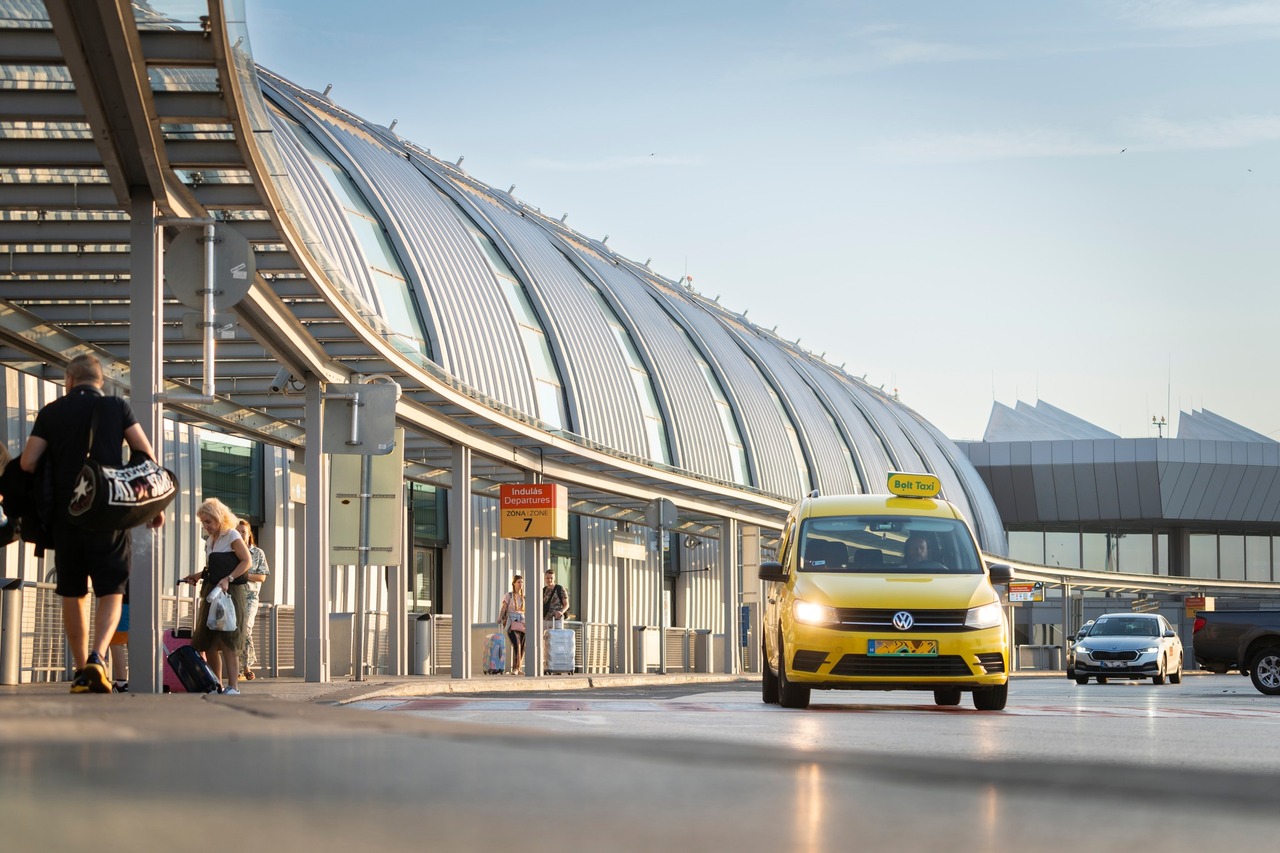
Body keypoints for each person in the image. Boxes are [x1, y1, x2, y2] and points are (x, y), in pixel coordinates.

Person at [18, 353, 164, 694]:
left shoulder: (51, 412)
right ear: (99, 381)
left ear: (69, 380)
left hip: (66, 516)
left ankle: (82, 669)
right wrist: (148, 506)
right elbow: (146, 454)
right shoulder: (117, 407)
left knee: (73, 591)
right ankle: (100, 657)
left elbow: (27, 461)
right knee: (111, 589)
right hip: (108, 513)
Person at [180, 499, 251, 694]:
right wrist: (199, 575)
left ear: (219, 518)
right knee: (209, 640)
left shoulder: (232, 535)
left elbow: (247, 561)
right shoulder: (210, 541)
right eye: (203, 522)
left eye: (208, 521)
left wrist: (228, 578)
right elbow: (213, 568)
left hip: (230, 592)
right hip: (212, 590)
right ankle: (216, 684)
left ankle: (234, 687)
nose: (206, 526)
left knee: (229, 638)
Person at [235, 519, 270, 681]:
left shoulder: (258, 553)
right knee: (235, 631)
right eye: (238, 531)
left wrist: (243, 575)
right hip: (233, 596)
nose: (241, 534)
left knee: (246, 627)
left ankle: (246, 666)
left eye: (243, 531)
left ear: (249, 533)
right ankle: (240, 668)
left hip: (250, 597)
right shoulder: (231, 552)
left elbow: (262, 577)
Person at [497, 574, 525, 675]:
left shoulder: (524, 597)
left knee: (522, 645)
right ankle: (515, 668)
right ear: (513, 583)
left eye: (522, 582)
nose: (520, 584)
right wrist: (500, 617)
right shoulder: (508, 595)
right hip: (511, 622)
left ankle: (518, 667)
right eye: (518, 582)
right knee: (516, 644)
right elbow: (504, 608)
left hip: (522, 623)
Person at [542, 568, 569, 671]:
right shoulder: (543, 590)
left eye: (551, 578)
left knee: (557, 642)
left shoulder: (560, 589)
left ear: (554, 578)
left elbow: (566, 604)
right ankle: (546, 666)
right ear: (545, 578)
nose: (549, 580)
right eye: (547, 578)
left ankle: (557, 666)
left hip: (556, 620)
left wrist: (561, 612)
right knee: (545, 643)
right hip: (545, 619)